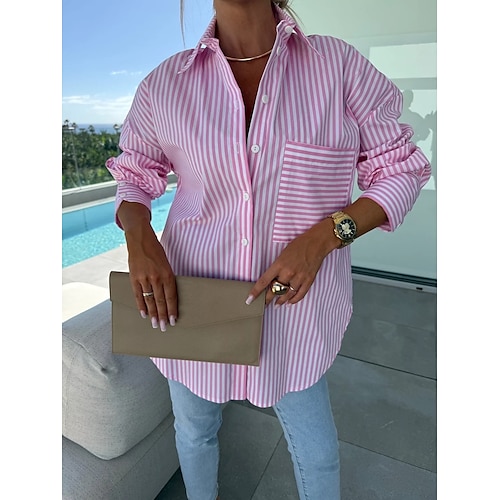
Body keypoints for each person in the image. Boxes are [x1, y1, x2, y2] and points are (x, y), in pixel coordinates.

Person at [105, 1, 431, 498]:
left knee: (317, 454)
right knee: (194, 433)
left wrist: (323, 239)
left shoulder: (338, 67)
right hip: (191, 303)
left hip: (294, 316)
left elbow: (401, 169)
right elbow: (134, 173)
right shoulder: (163, 85)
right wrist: (139, 237)